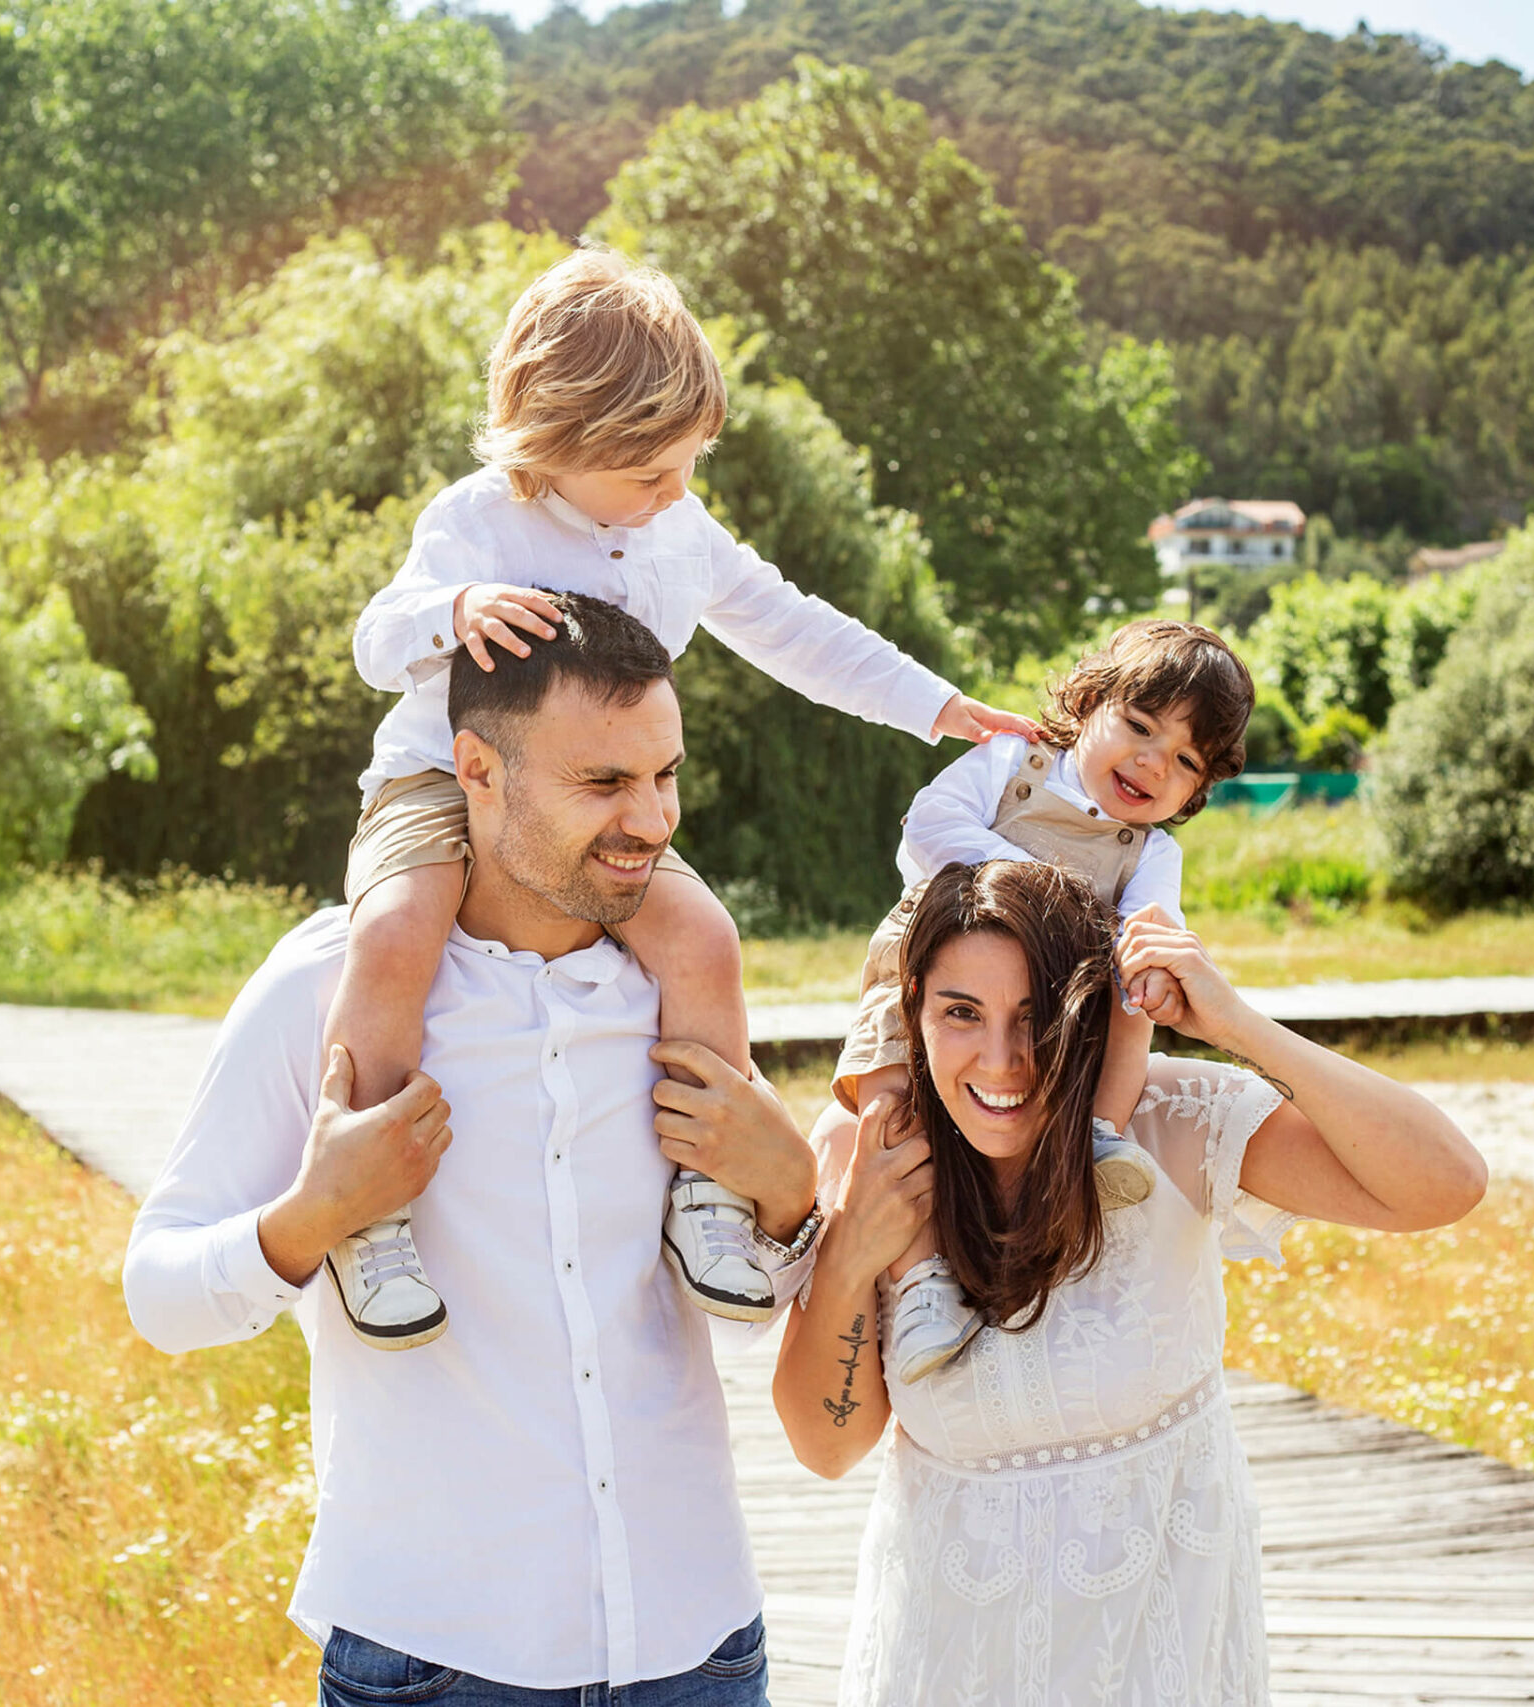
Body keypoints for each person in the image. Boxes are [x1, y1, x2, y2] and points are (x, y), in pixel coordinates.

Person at [124, 594, 825, 1704]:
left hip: (697, 1648)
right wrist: (310, 1219)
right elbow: (155, 1293)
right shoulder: (329, 987)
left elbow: (746, 1310)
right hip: (436, 1660)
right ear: (476, 770)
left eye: (666, 775)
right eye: (603, 784)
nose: (652, 820)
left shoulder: (684, 995)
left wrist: (791, 1198)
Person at [333, 245, 1031, 1348]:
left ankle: (705, 1194)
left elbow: (794, 628)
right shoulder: (477, 520)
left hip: (605, 805)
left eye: (688, 465)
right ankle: (366, 1203)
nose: (675, 494)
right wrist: (454, 607)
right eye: (650, 471)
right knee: (392, 936)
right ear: (556, 442)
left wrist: (939, 708)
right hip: (443, 778)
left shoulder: (680, 532)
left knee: (702, 937)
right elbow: (377, 639)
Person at [773, 860, 1488, 1704]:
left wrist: (1237, 1023)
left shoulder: (1169, 1126)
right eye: (961, 1013)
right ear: (913, 1010)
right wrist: (856, 1244)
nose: (1002, 1062)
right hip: (946, 1670)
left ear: (1085, 1015)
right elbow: (827, 1446)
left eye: (1034, 1018)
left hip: (1167, 1664)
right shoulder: (874, 1157)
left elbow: (1447, 1180)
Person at [824, 618, 1256, 1381]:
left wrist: (1150, 962)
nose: (1152, 762)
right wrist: (1041, 885)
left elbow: (1153, 922)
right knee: (889, 1096)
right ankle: (919, 1278)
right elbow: (928, 828)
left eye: (1185, 760)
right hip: (940, 966)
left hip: (1057, 1001)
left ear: (1197, 789)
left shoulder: (1151, 850)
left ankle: (1099, 1137)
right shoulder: (1010, 762)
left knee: (1135, 998)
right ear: (1088, 703)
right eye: (1139, 725)